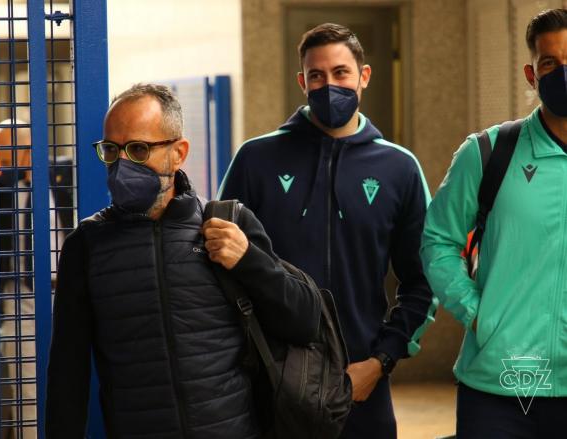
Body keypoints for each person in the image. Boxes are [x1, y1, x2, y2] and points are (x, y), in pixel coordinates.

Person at [45, 83, 321, 438]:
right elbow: (69, 371)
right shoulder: (87, 246)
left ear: (178, 153)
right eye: (112, 150)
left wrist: (249, 261)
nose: (122, 163)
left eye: (139, 149)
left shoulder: (227, 223)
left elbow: (304, 323)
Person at [218, 23, 436, 438]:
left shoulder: (399, 168)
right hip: (272, 379)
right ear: (302, 82)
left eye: (340, 73)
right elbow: (222, 269)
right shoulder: (255, 159)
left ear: (364, 77)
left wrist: (381, 361)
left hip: (361, 382)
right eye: (316, 76)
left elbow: (424, 280)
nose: (328, 84)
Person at [421, 8, 567, 438]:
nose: (562, 73)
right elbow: (437, 241)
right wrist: (478, 314)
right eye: (550, 63)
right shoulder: (487, 153)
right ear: (530, 74)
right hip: (500, 383)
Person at [0, 119, 45, 437]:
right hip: (19, 296)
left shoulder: (62, 182)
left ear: (27, 152)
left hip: (64, 292)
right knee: (26, 389)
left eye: (4, 157)